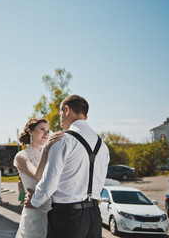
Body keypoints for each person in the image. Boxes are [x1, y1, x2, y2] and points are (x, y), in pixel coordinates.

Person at [24, 95, 110, 238]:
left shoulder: (62, 140)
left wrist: (34, 201)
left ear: (66, 110)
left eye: (60, 115)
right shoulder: (103, 146)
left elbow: (49, 181)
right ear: (85, 117)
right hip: (94, 217)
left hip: (68, 218)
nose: (61, 120)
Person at [13, 118, 63, 238]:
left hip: (52, 212)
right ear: (31, 132)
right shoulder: (21, 156)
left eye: (48, 130)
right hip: (34, 213)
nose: (46, 133)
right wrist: (46, 149)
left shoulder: (50, 154)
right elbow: (38, 176)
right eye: (42, 129)